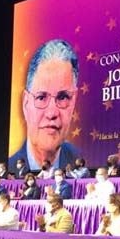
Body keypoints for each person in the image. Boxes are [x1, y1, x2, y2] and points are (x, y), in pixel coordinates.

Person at [9, 39, 82, 173]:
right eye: (41, 97)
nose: (52, 113)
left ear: (74, 101)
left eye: (62, 97)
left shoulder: (82, 159)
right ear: (26, 103)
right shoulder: (11, 169)